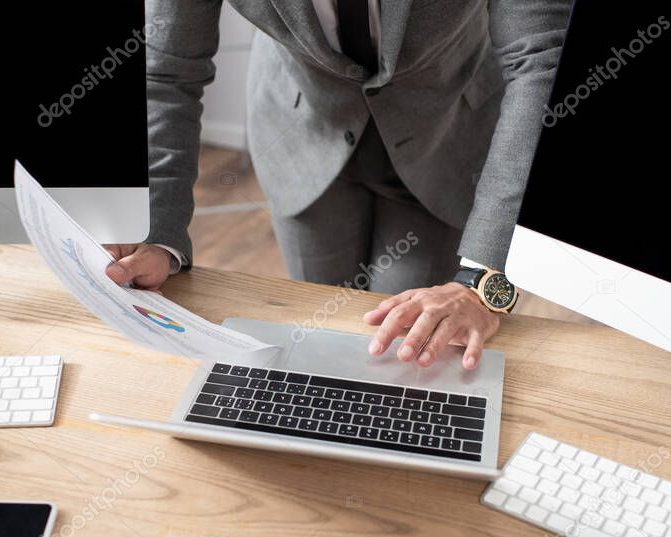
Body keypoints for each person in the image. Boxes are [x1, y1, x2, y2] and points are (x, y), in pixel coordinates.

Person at [105, 0, 570, 369]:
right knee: (323, 339)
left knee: (412, 354)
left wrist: (482, 282)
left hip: (446, 134)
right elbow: (167, 73)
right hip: (301, 128)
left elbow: (542, 64)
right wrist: (158, 231)